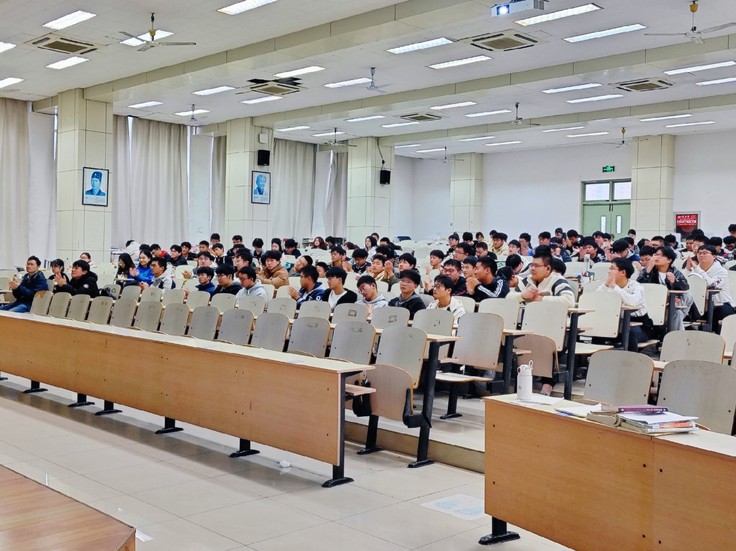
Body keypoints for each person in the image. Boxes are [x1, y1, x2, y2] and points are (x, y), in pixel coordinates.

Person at [597, 257, 652, 351]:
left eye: (612, 268)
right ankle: (594, 358)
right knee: (598, 332)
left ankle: (630, 358)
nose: (609, 271)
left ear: (623, 272)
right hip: (616, 324)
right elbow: (595, 299)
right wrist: (606, 284)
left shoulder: (637, 286)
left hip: (639, 325)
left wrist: (615, 287)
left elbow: (633, 302)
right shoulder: (609, 286)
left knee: (628, 333)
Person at [637, 246, 692, 332]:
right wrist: (648, 269)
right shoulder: (648, 271)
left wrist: (674, 281)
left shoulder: (675, 272)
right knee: (678, 313)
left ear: (669, 260)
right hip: (652, 303)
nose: (657, 257)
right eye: (656, 254)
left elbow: (685, 287)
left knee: (686, 298)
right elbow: (640, 285)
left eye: (661, 255)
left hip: (671, 304)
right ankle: (674, 338)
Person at [689, 244, 735, 331]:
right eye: (699, 253)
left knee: (721, 314)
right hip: (700, 305)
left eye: (705, 253)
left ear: (714, 256)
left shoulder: (722, 271)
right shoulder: (693, 270)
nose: (701, 255)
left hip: (721, 304)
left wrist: (698, 270)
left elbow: (712, 285)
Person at [511, 251, 575, 306]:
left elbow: (569, 301)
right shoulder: (528, 279)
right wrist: (522, 296)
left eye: (536, 266)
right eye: (532, 265)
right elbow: (508, 298)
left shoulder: (558, 280)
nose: (532, 268)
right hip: (529, 316)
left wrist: (539, 298)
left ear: (548, 268)